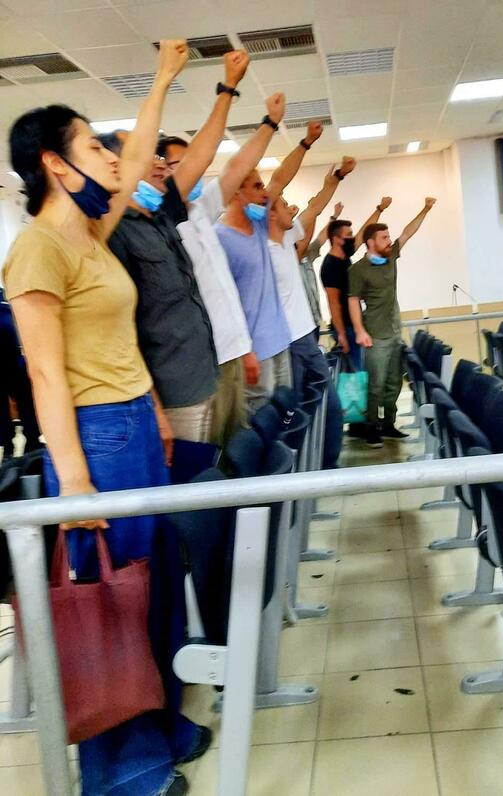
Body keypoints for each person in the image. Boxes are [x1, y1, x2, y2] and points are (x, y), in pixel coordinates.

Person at [4, 41, 208, 796]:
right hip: (95, 440)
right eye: (93, 146)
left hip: (133, 426)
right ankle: (120, 772)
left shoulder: (90, 236)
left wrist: (163, 79)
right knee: (110, 601)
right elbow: (45, 373)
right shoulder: (36, 251)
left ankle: (164, 725)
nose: (113, 158)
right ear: (56, 165)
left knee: (155, 588)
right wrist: (75, 483)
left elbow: (142, 151)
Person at [104, 53, 252, 465]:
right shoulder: (114, 234)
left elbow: (201, 154)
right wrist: (154, 407)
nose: (157, 162)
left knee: (219, 476)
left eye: (157, 155)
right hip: (174, 398)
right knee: (192, 490)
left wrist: (228, 87)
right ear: (117, 167)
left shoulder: (162, 212)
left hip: (205, 377)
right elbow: (124, 334)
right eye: (143, 154)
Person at [158, 89, 287, 446]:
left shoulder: (201, 209)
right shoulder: (161, 223)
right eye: (183, 164)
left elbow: (237, 167)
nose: (195, 169)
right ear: (162, 171)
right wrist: (226, 90)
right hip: (203, 363)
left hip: (232, 352)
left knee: (235, 448)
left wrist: (270, 123)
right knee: (211, 454)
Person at [215, 120, 323, 412]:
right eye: (256, 186)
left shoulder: (260, 224)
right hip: (254, 351)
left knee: (285, 417)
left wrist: (306, 143)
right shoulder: (219, 238)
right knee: (260, 420)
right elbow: (222, 302)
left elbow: (280, 179)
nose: (265, 192)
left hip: (280, 341)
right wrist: (243, 349)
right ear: (236, 193)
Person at [268, 158, 356, 468]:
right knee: (305, 406)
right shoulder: (263, 248)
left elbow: (314, 208)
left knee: (323, 403)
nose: (290, 209)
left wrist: (336, 179)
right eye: (283, 205)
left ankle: (322, 463)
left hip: (305, 335)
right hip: (291, 341)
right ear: (270, 214)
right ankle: (318, 467)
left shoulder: (286, 239)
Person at [349, 197, 437, 447]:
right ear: (370, 242)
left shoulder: (390, 256)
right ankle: (371, 428)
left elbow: (408, 232)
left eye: (388, 237)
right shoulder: (358, 270)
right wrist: (359, 330)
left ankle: (388, 423)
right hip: (375, 335)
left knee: (393, 383)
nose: (389, 241)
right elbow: (352, 300)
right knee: (375, 386)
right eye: (384, 238)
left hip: (394, 331)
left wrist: (426, 209)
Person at [320, 197, 393, 370]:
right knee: (354, 374)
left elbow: (363, 234)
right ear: (336, 239)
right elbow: (333, 303)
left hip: (354, 325)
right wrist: (341, 335)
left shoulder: (345, 256)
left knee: (360, 370)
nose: (352, 238)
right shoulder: (330, 266)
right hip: (346, 329)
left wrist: (379, 209)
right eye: (348, 235)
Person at [0, 289, 42, 458]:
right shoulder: (6, 301)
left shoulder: (6, 299)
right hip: (14, 357)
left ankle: (14, 446)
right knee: (23, 400)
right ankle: (29, 443)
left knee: (19, 400)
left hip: (13, 356)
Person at [299, 201, 344, 338]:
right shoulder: (288, 258)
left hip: (315, 320)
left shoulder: (307, 254)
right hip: (301, 324)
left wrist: (334, 217)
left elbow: (322, 237)